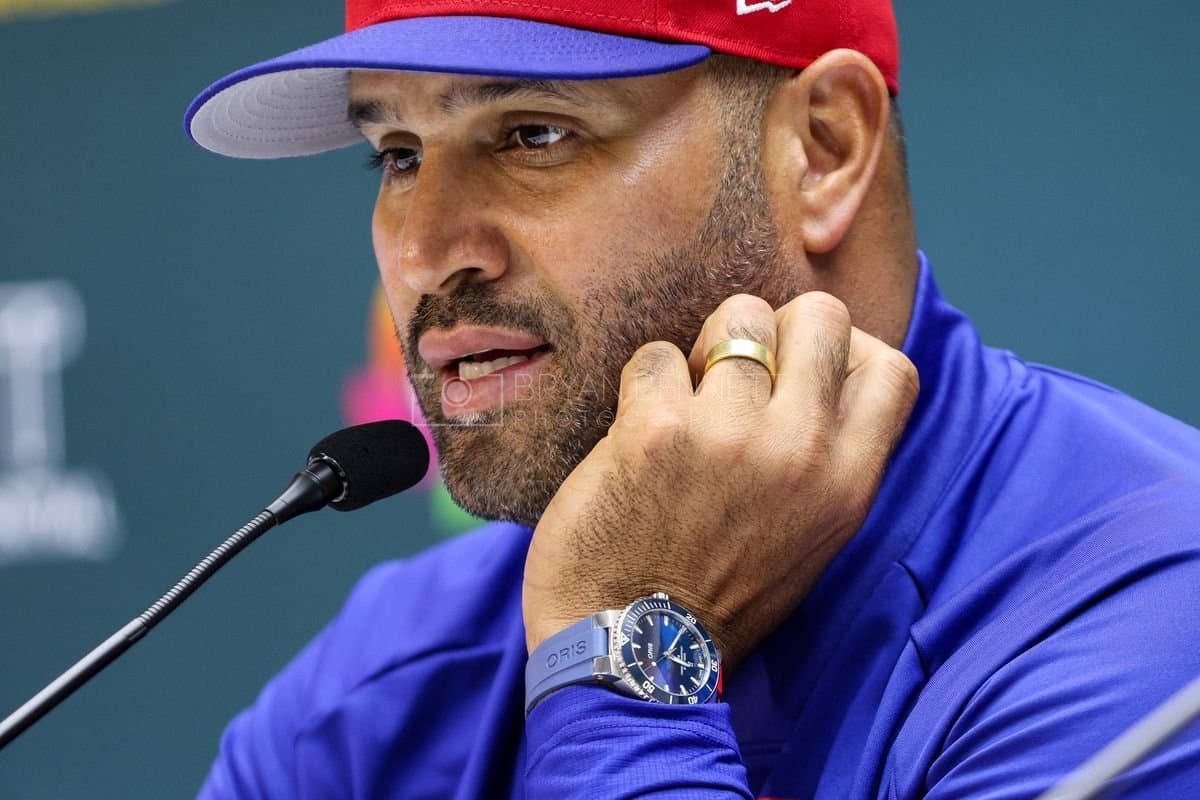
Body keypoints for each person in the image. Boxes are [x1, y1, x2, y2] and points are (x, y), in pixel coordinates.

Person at [185, 1, 1200, 797]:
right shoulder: (378, 693)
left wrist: (619, 651)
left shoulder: (1149, 625)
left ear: (826, 148)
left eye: (533, 133)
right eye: (398, 153)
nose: (424, 249)